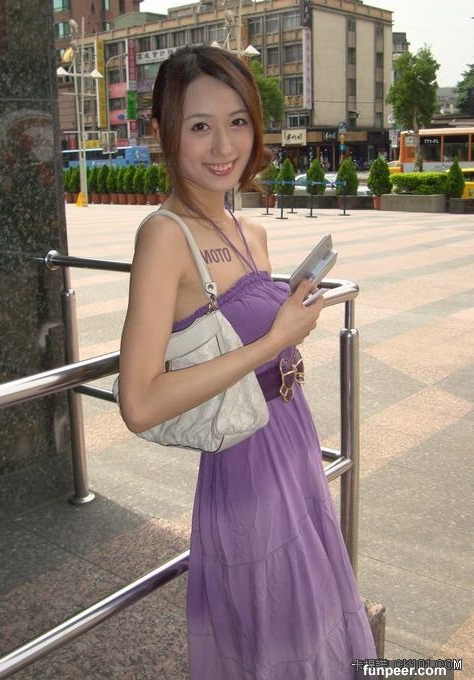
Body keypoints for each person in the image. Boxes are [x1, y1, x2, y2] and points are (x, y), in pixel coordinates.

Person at [118, 45, 376, 679]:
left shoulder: (246, 229)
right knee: (278, 633)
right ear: (162, 131)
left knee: (314, 616)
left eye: (237, 121)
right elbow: (139, 402)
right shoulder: (164, 237)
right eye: (199, 126)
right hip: (245, 466)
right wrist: (271, 339)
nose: (223, 145)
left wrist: (286, 319)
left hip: (292, 437)